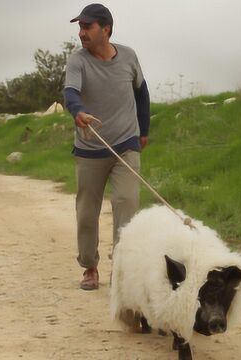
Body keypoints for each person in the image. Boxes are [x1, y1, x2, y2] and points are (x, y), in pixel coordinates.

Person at [63, 3, 150, 290]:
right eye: (80, 27)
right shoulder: (77, 61)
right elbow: (71, 93)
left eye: (87, 27)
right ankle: (89, 266)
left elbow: (142, 92)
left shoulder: (129, 56)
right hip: (90, 148)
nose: (81, 32)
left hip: (126, 144)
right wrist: (78, 112)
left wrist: (144, 131)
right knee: (87, 212)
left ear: (106, 29)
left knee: (126, 204)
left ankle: (122, 269)